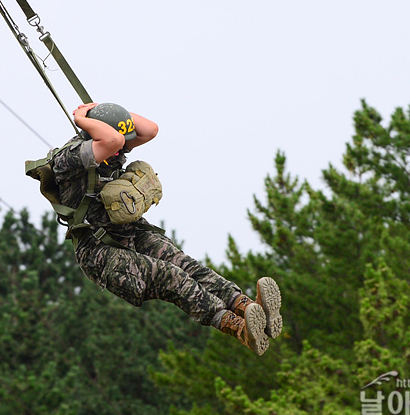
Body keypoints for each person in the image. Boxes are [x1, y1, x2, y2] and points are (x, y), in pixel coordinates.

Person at [46, 101, 283, 355]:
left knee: (184, 263)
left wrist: (106, 110)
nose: (121, 152)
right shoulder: (70, 159)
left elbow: (150, 129)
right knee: (169, 274)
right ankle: (238, 328)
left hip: (131, 232)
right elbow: (113, 141)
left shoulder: (112, 144)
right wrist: (82, 117)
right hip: (99, 251)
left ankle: (245, 308)